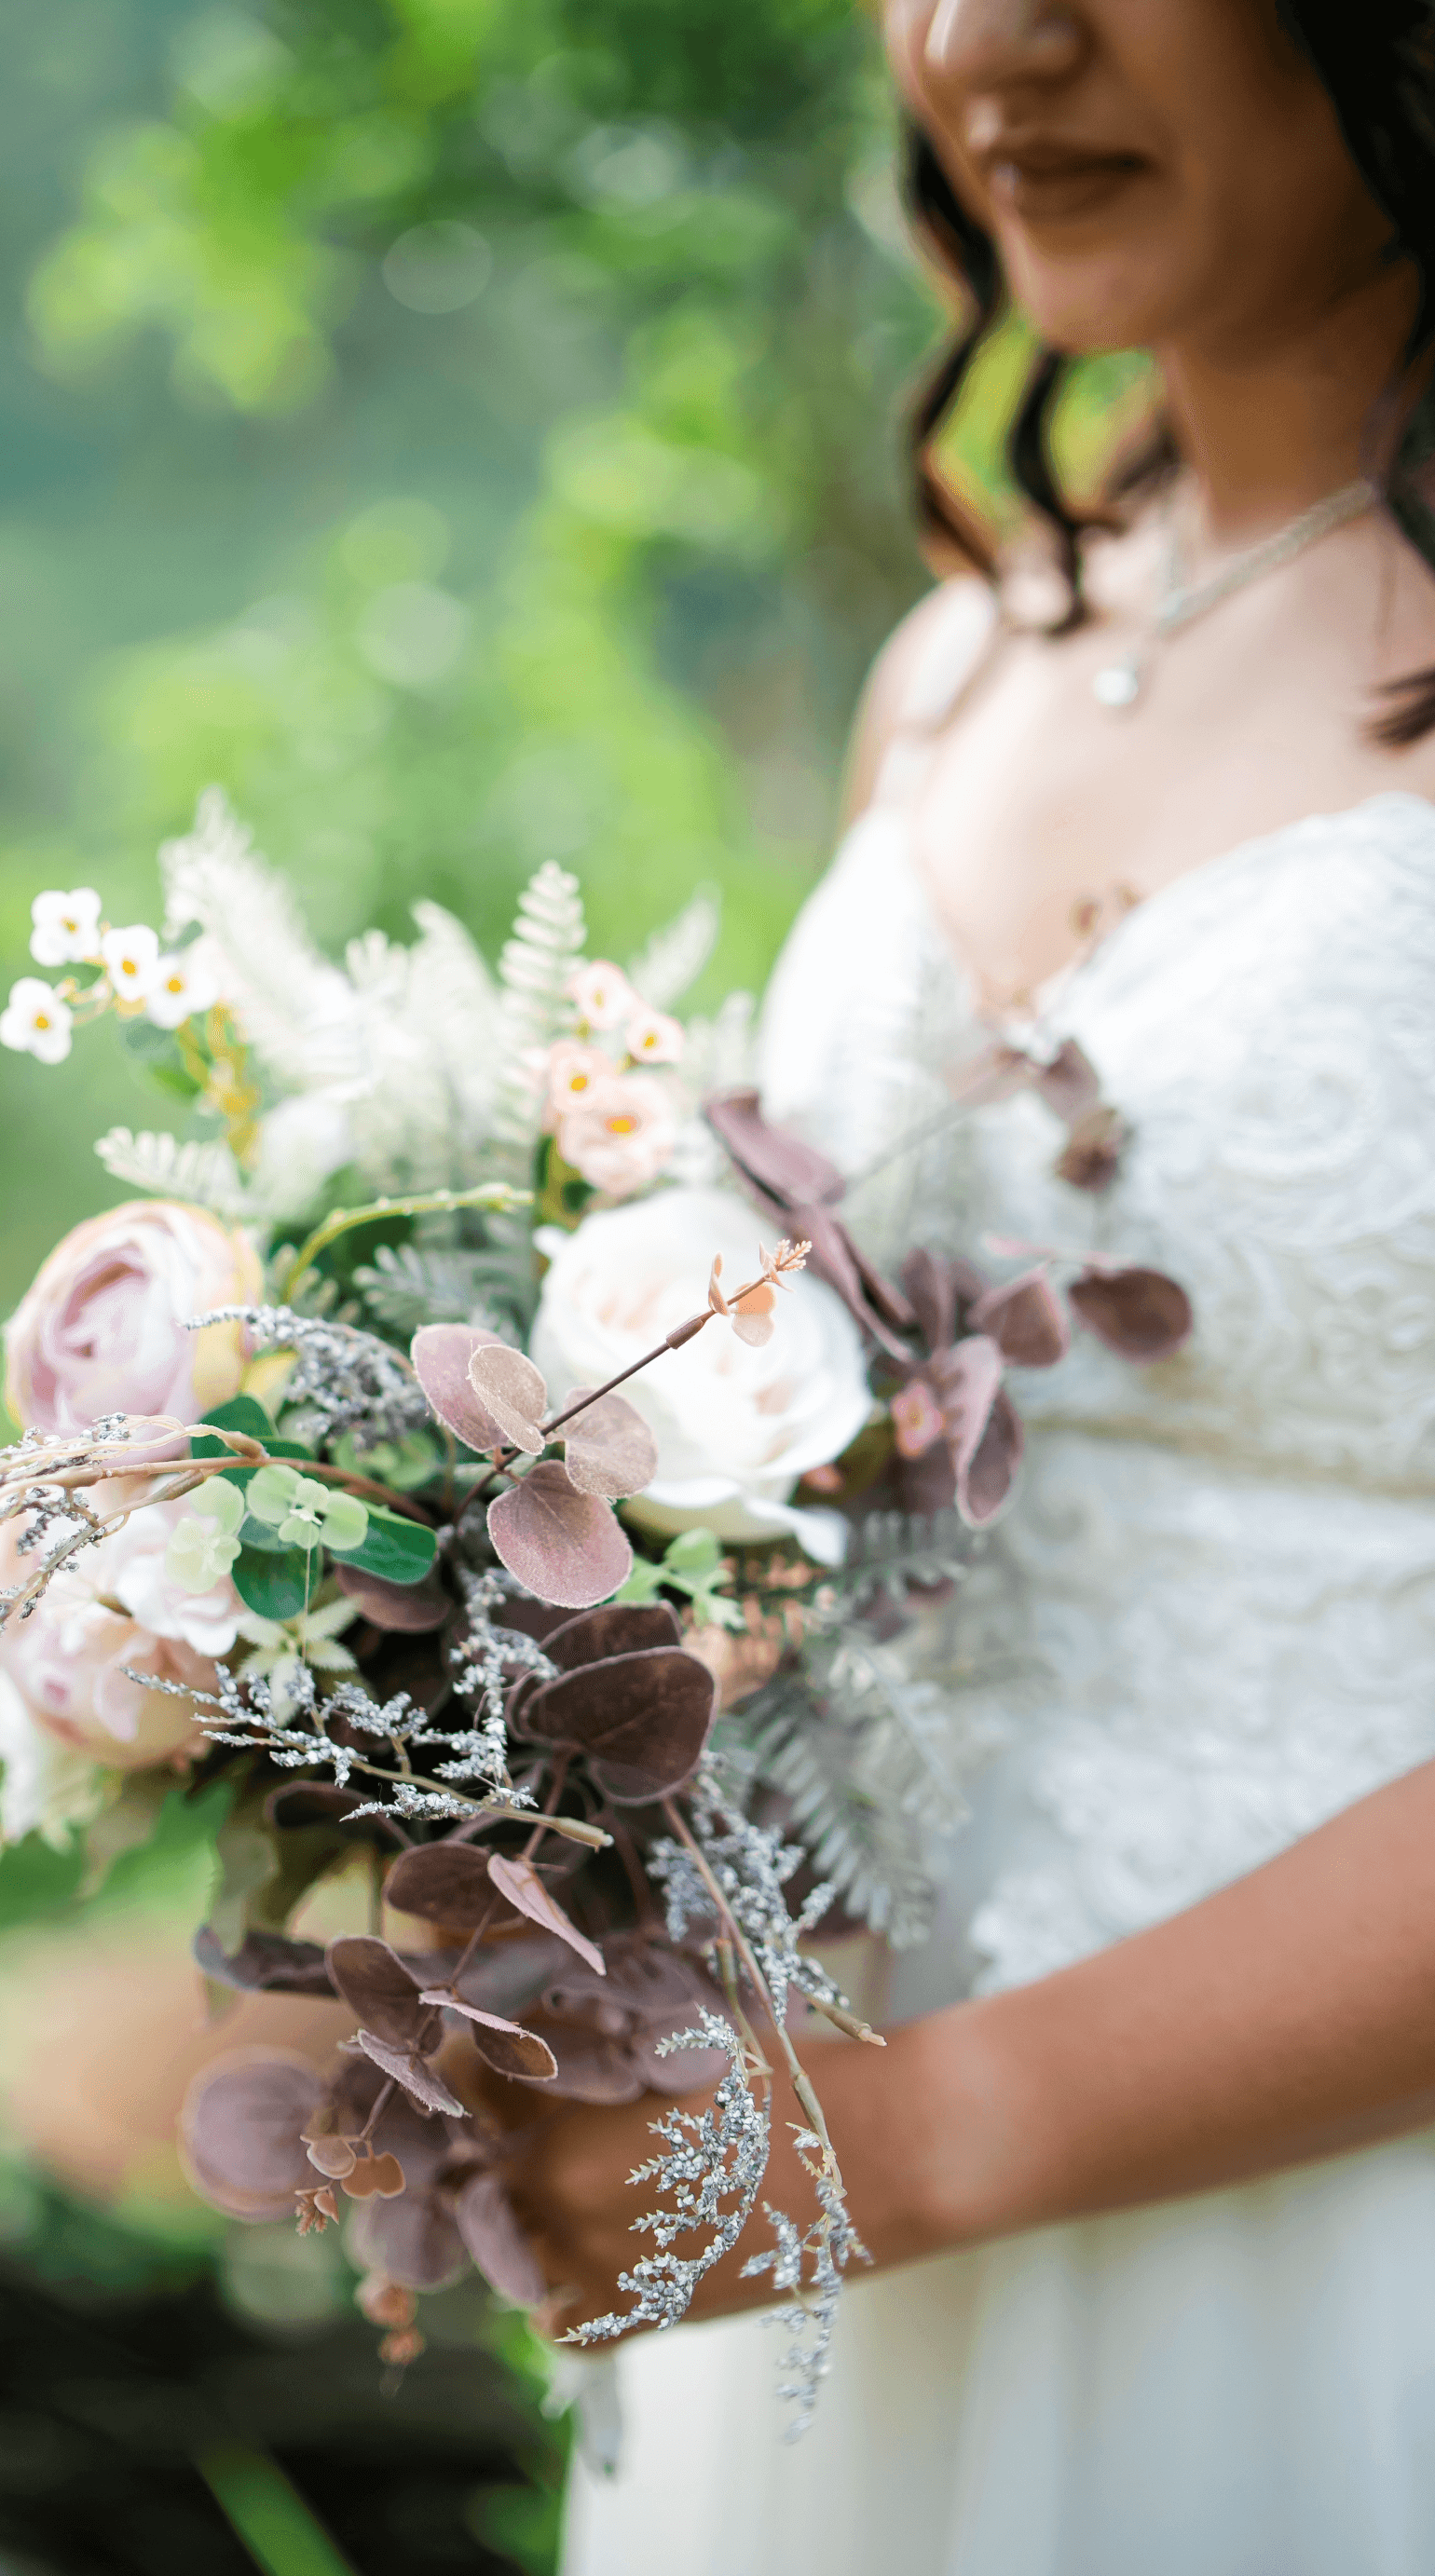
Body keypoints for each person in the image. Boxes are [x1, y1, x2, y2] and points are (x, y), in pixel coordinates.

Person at [508, 5, 1435, 2569]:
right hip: (834, 2291)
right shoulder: (964, 659)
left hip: (1344, 2275)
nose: (983, 37)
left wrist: (939, 2127)